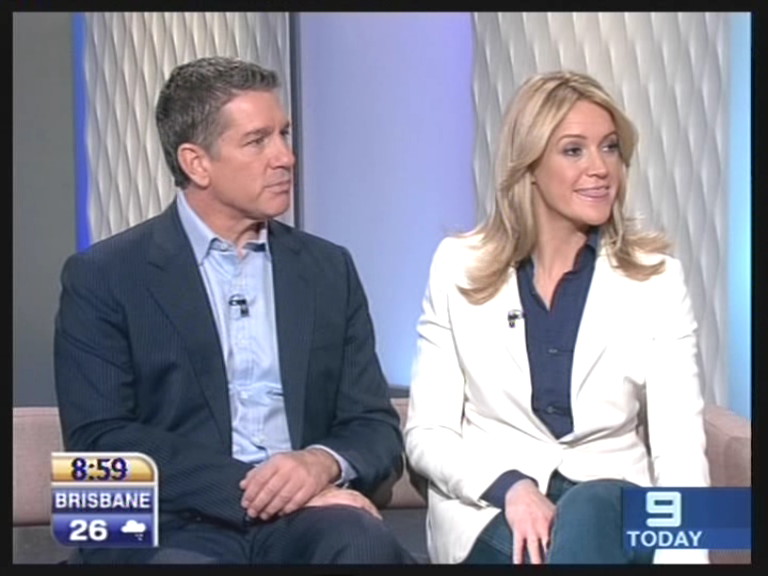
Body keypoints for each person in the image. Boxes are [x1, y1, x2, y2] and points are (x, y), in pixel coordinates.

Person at [54, 56, 414, 565]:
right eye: (257, 141)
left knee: (363, 544)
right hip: (167, 521)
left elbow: (372, 423)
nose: (286, 157)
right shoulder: (106, 275)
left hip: (304, 517)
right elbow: (99, 439)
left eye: (284, 134)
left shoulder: (327, 269)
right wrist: (261, 489)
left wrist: (319, 463)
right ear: (196, 163)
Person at [404, 70, 710, 565]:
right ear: (529, 165)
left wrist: (687, 556)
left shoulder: (656, 278)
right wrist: (511, 487)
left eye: (610, 148)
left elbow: (679, 445)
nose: (600, 168)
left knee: (592, 506)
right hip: (494, 506)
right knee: (536, 545)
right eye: (574, 151)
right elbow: (427, 435)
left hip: (615, 503)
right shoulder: (458, 266)